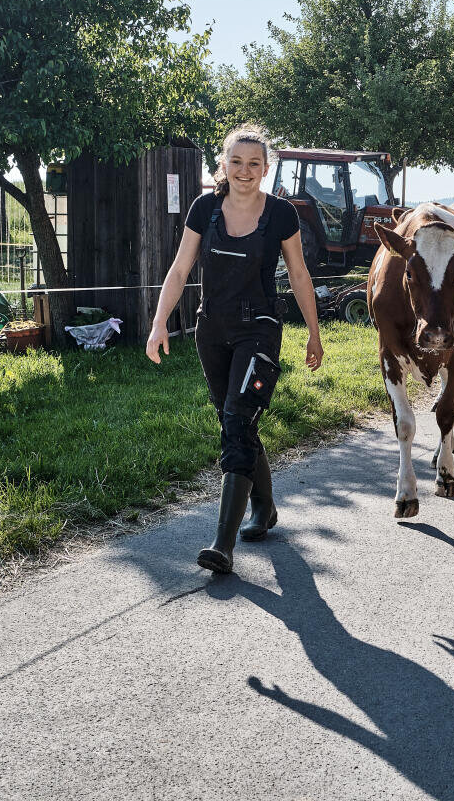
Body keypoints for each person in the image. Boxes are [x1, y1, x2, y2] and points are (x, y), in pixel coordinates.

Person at [146, 124, 324, 574]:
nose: (245, 171)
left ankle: (222, 545)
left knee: (237, 420)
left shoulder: (281, 214)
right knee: (236, 420)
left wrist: (313, 331)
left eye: (255, 163)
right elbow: (181, 266)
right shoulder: (204, 208)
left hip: (260, 331)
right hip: (212, 331)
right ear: (223, 165)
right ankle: (264, 509)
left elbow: (299, 275)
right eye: (237, 162)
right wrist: (158, 322)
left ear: (266, 169)